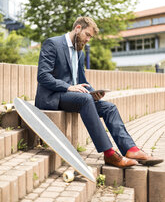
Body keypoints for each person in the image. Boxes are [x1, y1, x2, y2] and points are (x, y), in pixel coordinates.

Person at [35, 16, 163, 168]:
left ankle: (131, 149)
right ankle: (109, 154)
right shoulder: (53, 44)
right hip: (51, 97)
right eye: (87, 35)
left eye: (90, 37)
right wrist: (68, 87)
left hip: (72, 96)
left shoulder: (79, 53)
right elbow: (43, 76)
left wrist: (93, 92)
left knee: (109, 107)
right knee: (85, 100)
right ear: (78, 29)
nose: (88, 39)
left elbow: (82, 80)